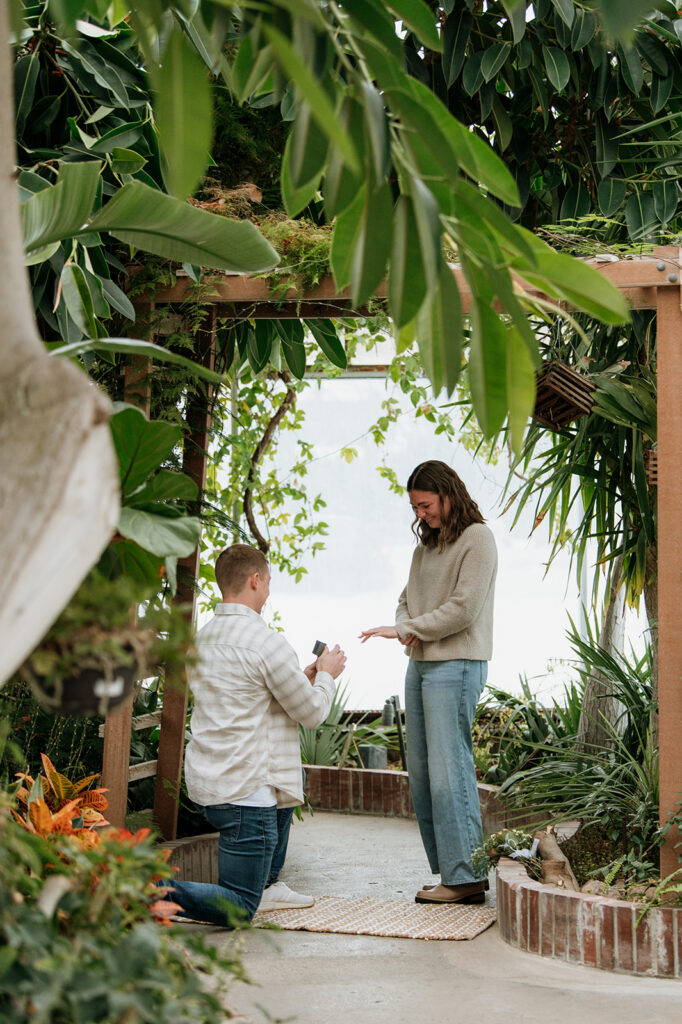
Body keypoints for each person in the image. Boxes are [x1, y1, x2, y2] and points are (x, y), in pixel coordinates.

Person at [168, 544, 346, 926]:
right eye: (267, 583)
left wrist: (305, 678)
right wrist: (328, 675)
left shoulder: (201, 639)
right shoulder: (267, 642)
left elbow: (250, 698)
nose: (267, 592)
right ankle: (153, 894)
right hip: (245, 794)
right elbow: (312, 713)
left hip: (208, 783)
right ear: (255, 579)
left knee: (282, 780)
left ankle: (268, 886)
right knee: (240, 905)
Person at [359, 461, 497, 905]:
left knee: (448, 770)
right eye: (415, 507)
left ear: (448, 493)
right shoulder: (427, 548)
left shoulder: (478, 538)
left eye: (426, 504)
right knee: (421, 771)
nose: (421, 514)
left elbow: (465, 607)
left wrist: (409, 628)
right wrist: (405, 626)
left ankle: (466, 876)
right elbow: (405, 601)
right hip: (420, 663)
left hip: (456, 664)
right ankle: (453, 872)